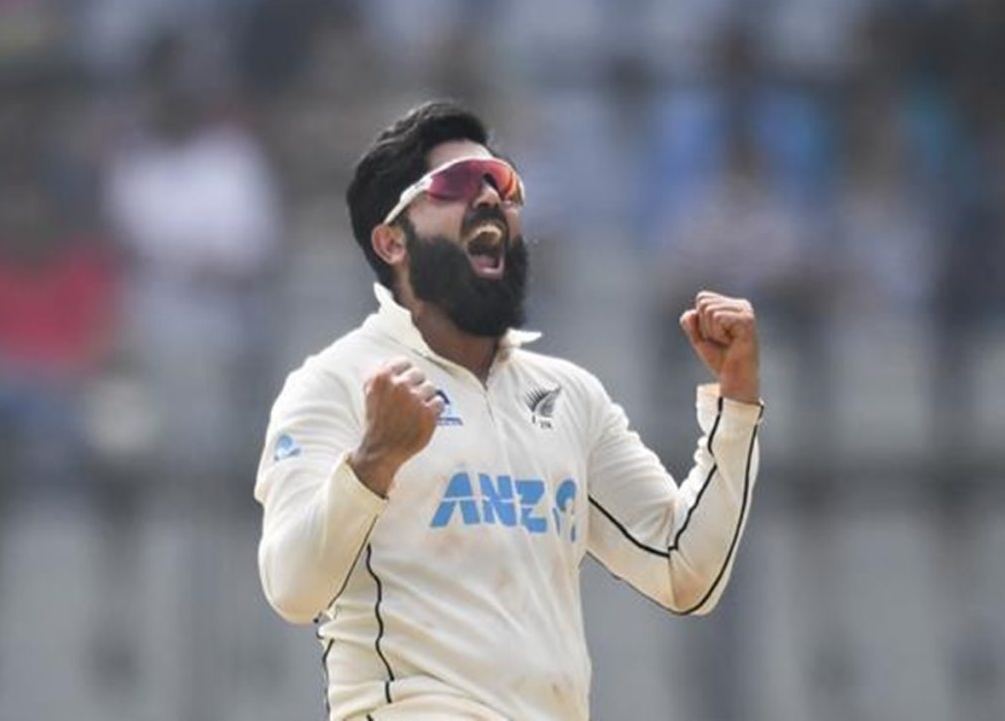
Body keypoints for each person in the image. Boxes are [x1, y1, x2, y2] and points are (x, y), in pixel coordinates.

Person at [253, 101, 764, 721]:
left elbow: (685, 570)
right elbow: (292, 587)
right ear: (391, 240)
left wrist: (736, 406)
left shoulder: (570, 396)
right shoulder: (336, 383)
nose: (491, 197)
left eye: (502, 182)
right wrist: (372, 463)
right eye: (457, 184)